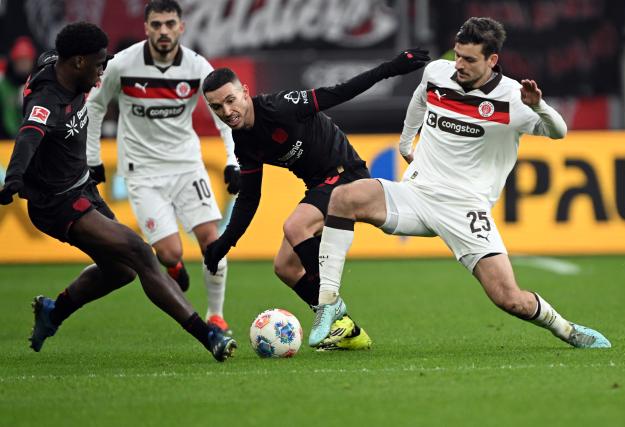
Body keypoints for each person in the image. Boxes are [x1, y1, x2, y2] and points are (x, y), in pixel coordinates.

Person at [309, 17, 611, 350]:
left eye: (469, 59)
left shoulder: (514, 98)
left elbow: (560, 132)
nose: (459, 65)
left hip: (465, 209)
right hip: (417, 194)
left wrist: (537, 105)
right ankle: (329, 302)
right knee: (343, 198)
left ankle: (567, 329)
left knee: (509, 299)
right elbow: (420, 99)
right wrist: (406, 143)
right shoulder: (438, 72)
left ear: (492, 60)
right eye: (457, 55)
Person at [0, 22, 236, 361]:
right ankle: (208, 334)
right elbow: (28, 136)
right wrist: (14, 180)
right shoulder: (47, 100)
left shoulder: (57, 60)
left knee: (121, 271)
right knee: (139, 253)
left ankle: (54, 312)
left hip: (81, 186)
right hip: (57, 203)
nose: (101, 75)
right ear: (78, 62)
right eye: (97, 64)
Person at [201, 48, 430, 350]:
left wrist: (392, 67)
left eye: (230, 100)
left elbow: (340, 92)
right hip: (320, 186)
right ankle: (347, 330)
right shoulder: (243, 141)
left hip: (345, 175)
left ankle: (330, 305)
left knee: (295, 226)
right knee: (284, 266)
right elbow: (250, 196)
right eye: (217, 107)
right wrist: (225, 242)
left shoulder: (281, 106)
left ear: (245, 92)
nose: (227, 111)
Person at [86, 0, 239, 334]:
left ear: (181, 27)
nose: (164, 31)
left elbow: (226, 114)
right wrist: (93, 159)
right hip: (142, 171)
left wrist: (232, 160)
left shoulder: (198, 67)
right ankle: (173, 266)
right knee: (169, 253)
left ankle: (216, 315)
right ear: (146, 28)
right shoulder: (122, 64)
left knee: (212, 240)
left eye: (170, 24)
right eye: (156, 25)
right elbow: (95, 106)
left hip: (186, 165)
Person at [0, 36, 36, 139]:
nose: (24, 64)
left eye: (26, 60)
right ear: (14, 61)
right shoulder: (3, 85)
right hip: (5, 141)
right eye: (20, 60)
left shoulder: (38, 84)